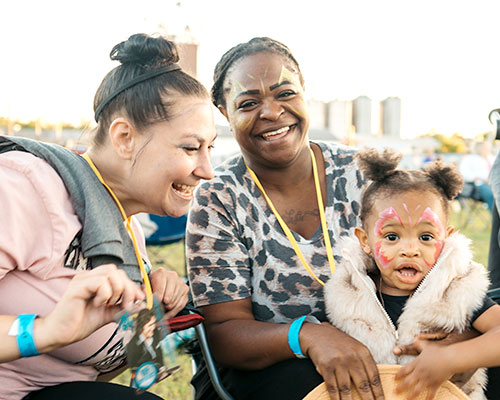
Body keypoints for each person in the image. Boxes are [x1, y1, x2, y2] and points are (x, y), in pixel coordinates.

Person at [0, 33, 216, 400]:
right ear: (124, 137)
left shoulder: (126, 234)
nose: (208, 170)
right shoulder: (25, 185)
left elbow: (108, 370)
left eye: (210, 148)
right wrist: (46, 330)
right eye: (191, 148)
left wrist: (153, 312)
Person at [186, 37, 384, 400]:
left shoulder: (365, 173)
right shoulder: (219, 197)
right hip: (265, 371)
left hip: (381, 354)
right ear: (224, 112)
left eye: (285, 94)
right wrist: (308, 335)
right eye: (248, 103)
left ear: (304, 92)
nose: (272, 112)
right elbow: (224, 335)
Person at [325, 147, 500, 400]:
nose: (410, 250)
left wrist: (450, 358)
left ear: (446, 238)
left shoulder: (457, 290)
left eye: (426, 237)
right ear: (365, 241)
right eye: (392, 236)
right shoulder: (345, 294)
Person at [459, 141, 494, 212]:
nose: (488, 150)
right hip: (478, 186)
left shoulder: (491, 158)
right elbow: (463, 173)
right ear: (479, 149)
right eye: (485, 148)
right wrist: (479, 178)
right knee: (492, 194)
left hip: (493, 184)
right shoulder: (469, 159)